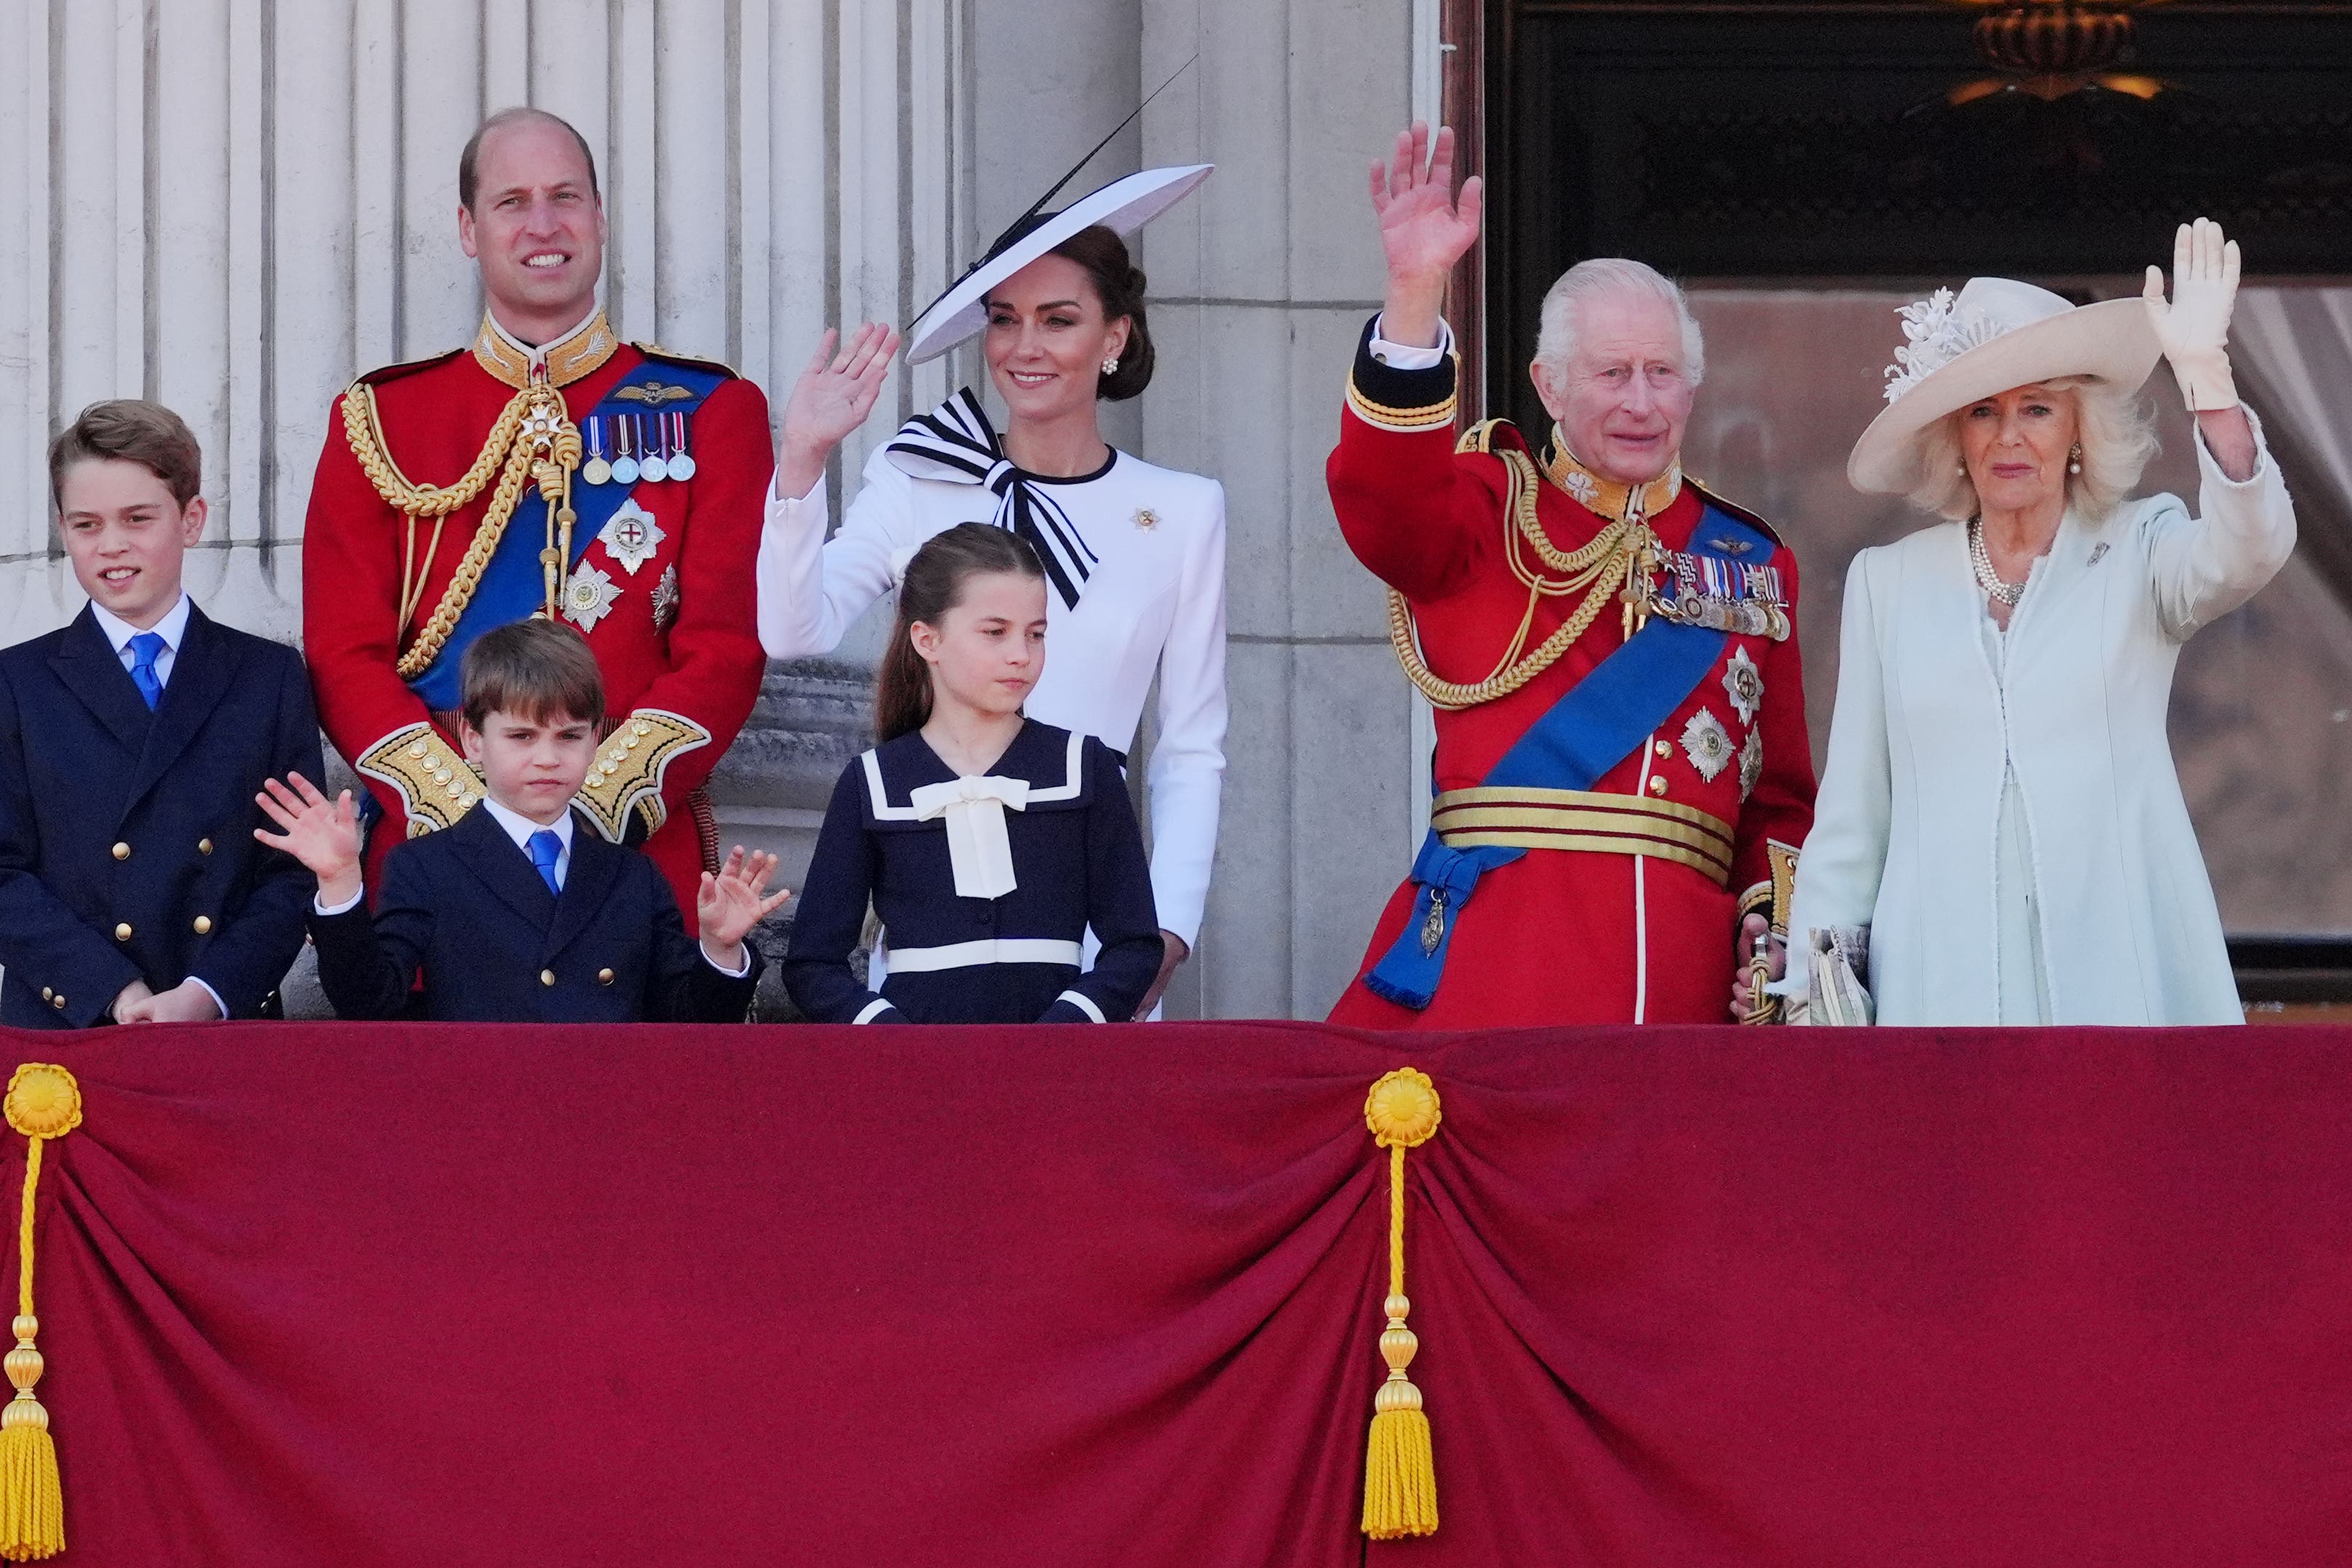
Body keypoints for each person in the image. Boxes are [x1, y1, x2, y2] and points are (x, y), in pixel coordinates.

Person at [1326, 123, 1817, 1029]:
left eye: (1663, 374)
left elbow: (1779, 800)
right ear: (1549, 387)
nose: (1641, 401)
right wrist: (1412, 294)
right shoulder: (1481, 511)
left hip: (1683, 991)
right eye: (1613, 373)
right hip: (1495, 974)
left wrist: (1767, 930)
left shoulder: (1751, 563)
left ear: (1692, 391)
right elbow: (1381, 497)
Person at [1767, 219, 2294, 1026]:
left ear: (2079, 430)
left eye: (2038, 409)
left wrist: (2209, 382)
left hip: (2119, 985)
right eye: (1983, 412)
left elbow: (2248, 549)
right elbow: (1852, 821)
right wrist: (1817, 996)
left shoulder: (2139, 550)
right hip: (1938, 995)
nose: (2009, 436)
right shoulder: (1891, 584)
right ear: (1957, 437)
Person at [756, 163, 1224, 1019]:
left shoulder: (1186, 511)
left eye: (1059, 320)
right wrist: (803, 462)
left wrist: (1166, 935)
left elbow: (1191, 746)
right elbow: (794, 630)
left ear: (1116, 336)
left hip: (1097, 929)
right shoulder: (919, 474)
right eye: (1004, 320)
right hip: (935, 927)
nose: (1024, 347)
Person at [300, 106, 772, 929]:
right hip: (433, 864)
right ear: (468, 229)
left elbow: (726, 648)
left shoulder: (713, 412)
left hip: (631, 863)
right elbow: (344, 656)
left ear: (600, 217)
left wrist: (592, 807)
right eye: (511, 202)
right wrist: (465, 818)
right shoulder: (378, 420)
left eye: (565, 196)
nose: (543, 224)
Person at [257, 619, 784, 1023]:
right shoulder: (426, 867)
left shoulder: (633, 878)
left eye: (569, 736)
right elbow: (369, 1003)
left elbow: (688, 1023)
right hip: (479, 1123)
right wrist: (340, 884)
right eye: (522, 737)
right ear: (472, 741)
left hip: (607, 1124)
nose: (548, 758)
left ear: (596, 739)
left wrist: (719, 950)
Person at [0, 400, 320, 1028]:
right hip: (70, 1025)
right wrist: (115, 992)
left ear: (191, 520)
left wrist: (210, 992)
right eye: (86, 524)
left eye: (138, 518)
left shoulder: (268, 677)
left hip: (223, 1023)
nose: (112, 545)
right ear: (63, 531)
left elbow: (290, 871)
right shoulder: (15, 681)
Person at [783, 524, 1161, 1025]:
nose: (1020, 655)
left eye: (1036, 634)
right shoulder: (872, 781)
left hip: (1058, 1073)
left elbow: (1134, 944)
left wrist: (1068, 1027)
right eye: (994, 631)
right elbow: (812, 964)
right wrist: (889, 1033)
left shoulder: (1082, 766)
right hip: (920, 1075)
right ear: (927, 639)